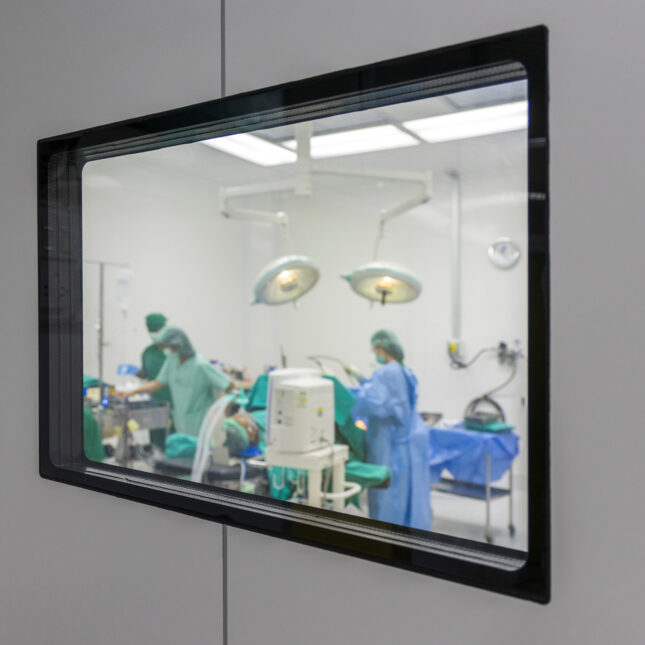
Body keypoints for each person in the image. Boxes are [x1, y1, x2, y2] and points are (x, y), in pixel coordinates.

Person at [350, 329, 431, 531]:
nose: (374, 354)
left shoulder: (386, 372)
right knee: (405, 495)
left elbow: (372, 402)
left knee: (387, 496)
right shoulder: (404, 371)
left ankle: (385, 538)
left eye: (375, 349)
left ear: (382, 348)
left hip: (388, 444)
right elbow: (385, 395)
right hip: (405, 443)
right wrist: (360, 378)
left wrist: (346, 394)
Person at [120, 326, 232, 437]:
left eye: (169, 347)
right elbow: (158, 383)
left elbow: (228, 385)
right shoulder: (171, 362)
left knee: (201, 453)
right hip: (181, 420)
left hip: (201, 422)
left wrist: (227, 415)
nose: (167, 350)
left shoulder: (200, 365)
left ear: (179, 345)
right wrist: (132, 392)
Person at [137, 313, 173, 447]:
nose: (155, 333)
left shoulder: (174, 351)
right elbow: (145, 374)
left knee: (174, 441)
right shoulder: (148, 352)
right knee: (156, 442)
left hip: (175, 403)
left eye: (158, 330)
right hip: (155, 403)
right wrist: (135, 371)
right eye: (152, 331)